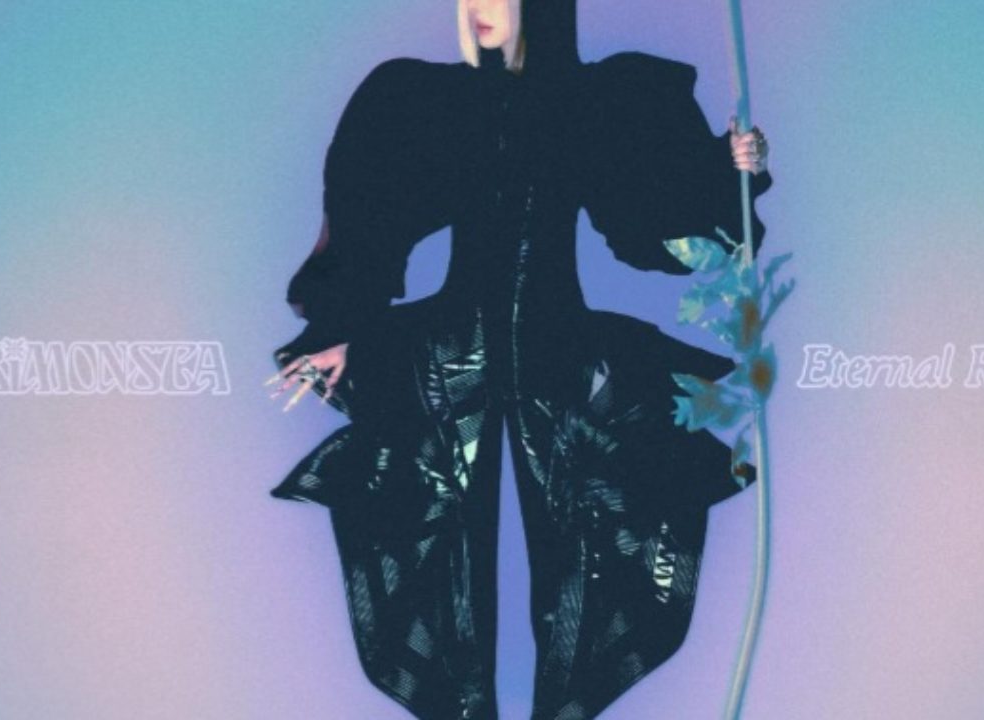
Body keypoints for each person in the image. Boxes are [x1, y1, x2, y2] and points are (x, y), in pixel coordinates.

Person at [264, 1, 771, 718]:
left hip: (560, 357)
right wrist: (345, 328)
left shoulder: (592, 102)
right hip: (450, 357)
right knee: (435, 549)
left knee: (590, 547)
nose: (479, 6)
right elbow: (374, 216)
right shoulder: (429, 100)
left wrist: (728, 169)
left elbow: (652, 221)